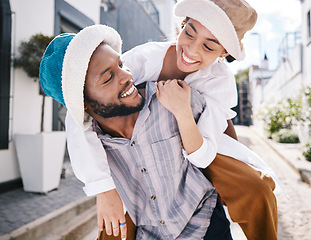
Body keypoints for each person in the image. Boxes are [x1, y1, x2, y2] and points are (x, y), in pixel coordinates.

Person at [65, 0, 283, 239]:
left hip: (201, 139)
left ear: (224, 54)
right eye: (189, 33)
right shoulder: (143, 60)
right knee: (117, 223)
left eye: (209, 47)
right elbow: (80, 111)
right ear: (182, 25)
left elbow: (207, 150)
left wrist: (182, 112)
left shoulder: (219, 82)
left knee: (256, 188)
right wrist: (103, 189)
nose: (192, 51)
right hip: (141, 142)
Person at [39, 24, 233, 240]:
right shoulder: (92, 149)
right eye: (107, 78)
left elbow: (226, 136)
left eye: (121, 64)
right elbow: (76, 127)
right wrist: (103, 189)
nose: (127, 75)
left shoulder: (174, 98)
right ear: (83, 103)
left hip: (206, 224)